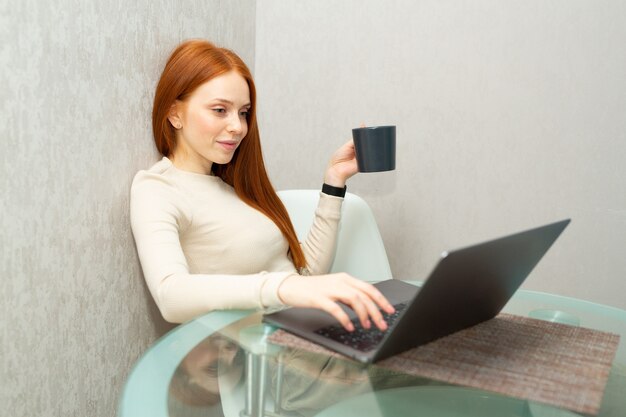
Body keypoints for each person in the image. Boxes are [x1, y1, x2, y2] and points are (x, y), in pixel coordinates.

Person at [130, 39, 394, 331]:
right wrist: (282, 288)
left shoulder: (232, 187)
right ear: (174, 113)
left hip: (297, 332)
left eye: (243, 112)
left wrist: (334, 181)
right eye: (220, 110)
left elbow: (304, 276)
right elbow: (171, 295)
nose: (239, 127)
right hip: (249, 355)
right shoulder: (157, 189)